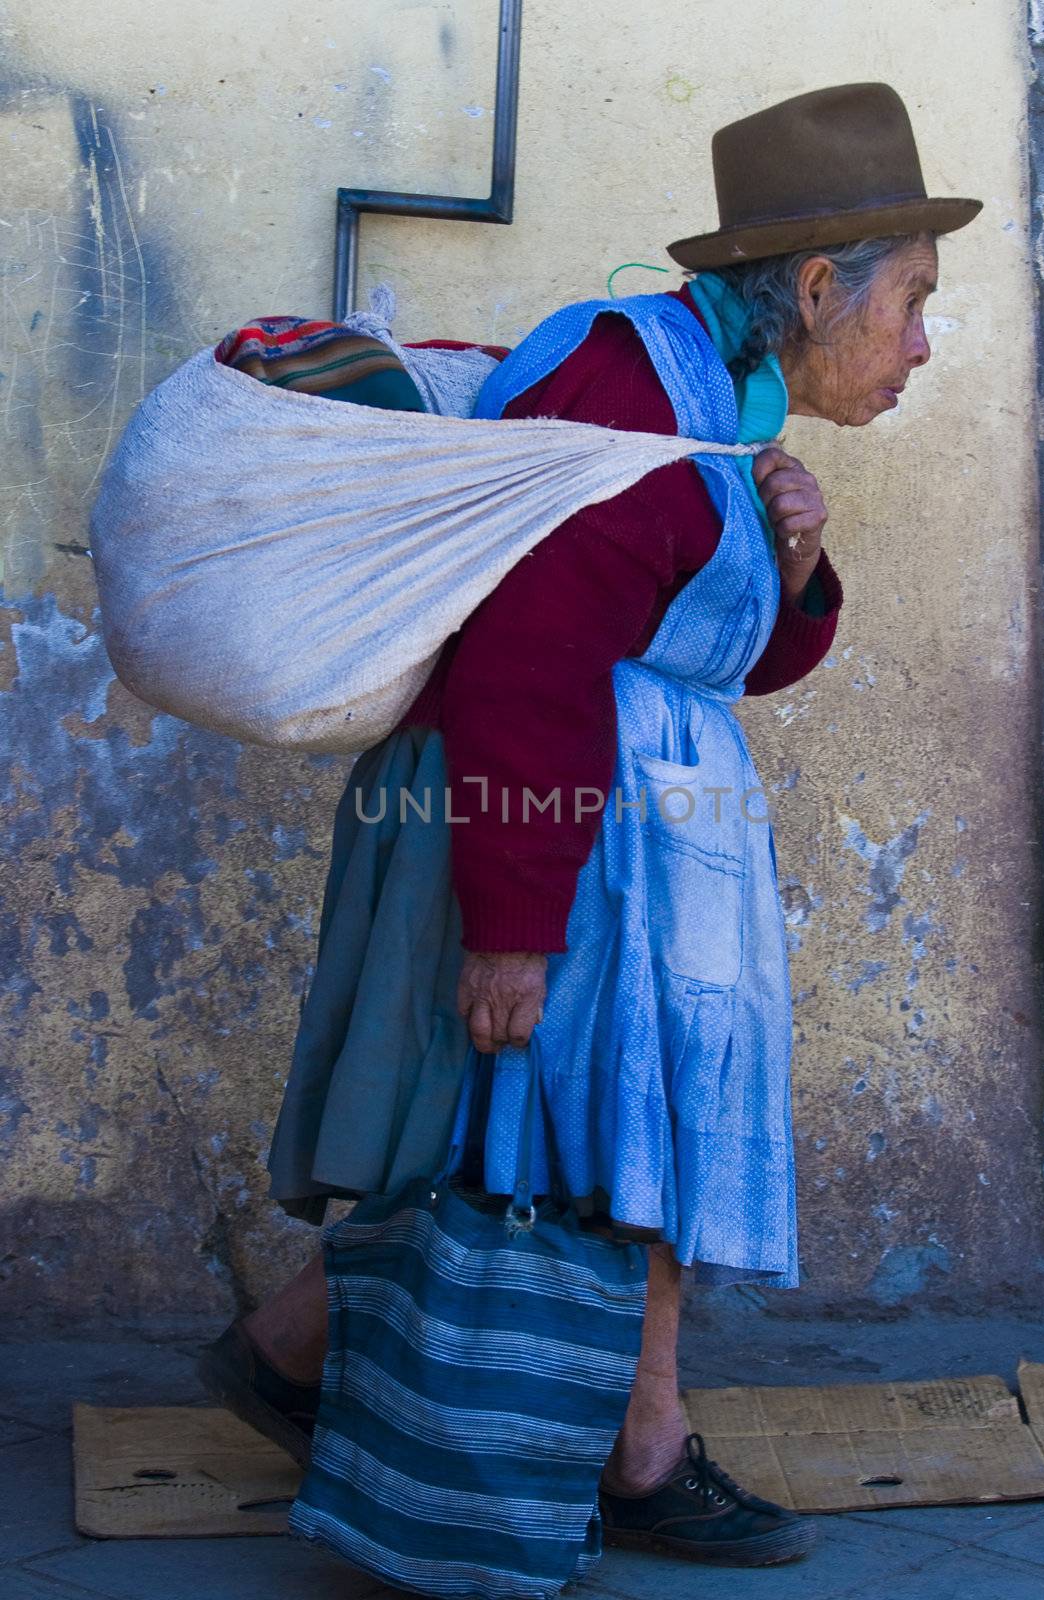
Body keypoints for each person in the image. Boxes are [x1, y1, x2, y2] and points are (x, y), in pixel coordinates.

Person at [199, 81, 981, 1570]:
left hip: (636, 837)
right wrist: (511, 925)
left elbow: (723, 652)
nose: (923, 344)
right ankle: (604, 1440)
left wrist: (801, 565)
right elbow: (529, 660)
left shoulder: (723, 404)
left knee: (593, 1129)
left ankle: (340, 1363)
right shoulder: (631, 395)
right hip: (566, 830)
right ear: (818, 289)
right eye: (915, 301)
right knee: (571, 1128)